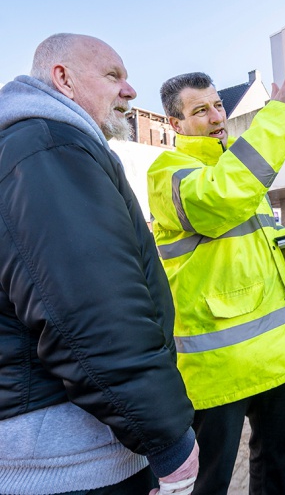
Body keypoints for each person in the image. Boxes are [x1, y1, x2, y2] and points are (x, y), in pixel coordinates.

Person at [0, 33, 199, 495]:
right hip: (70, 459)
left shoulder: (34, 147)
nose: (129, 91)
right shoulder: (50, 145)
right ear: (63, 79)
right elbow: (94, 312)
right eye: (113, 75)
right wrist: (167, 439)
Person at [147, 63, 285, 495]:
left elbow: (251, 235)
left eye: (218, 105)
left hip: (276, 358)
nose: (216, 117)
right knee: (209, 482)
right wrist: (279, 116)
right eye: (200, 111)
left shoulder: (238, 169)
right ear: (176, 124)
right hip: (218, 367)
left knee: (276, 467)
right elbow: (217, 202)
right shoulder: (167, 172)